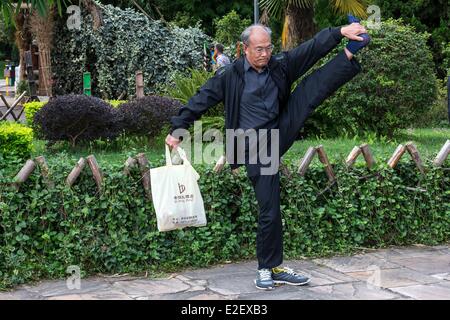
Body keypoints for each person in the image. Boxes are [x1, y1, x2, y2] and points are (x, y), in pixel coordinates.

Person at [166, 15, 370, 290]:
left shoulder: (279, 67)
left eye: (268, 48)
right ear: (245, 49)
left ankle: (349, 52)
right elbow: (201, 98)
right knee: (270, 208)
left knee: (309, 91)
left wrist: (339, 32)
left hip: (278, 130)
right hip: (251, 146)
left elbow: (308, 51)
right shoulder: (230, 75)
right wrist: (178, 127)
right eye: (259, 49)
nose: (265, 54)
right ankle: (268, 268)